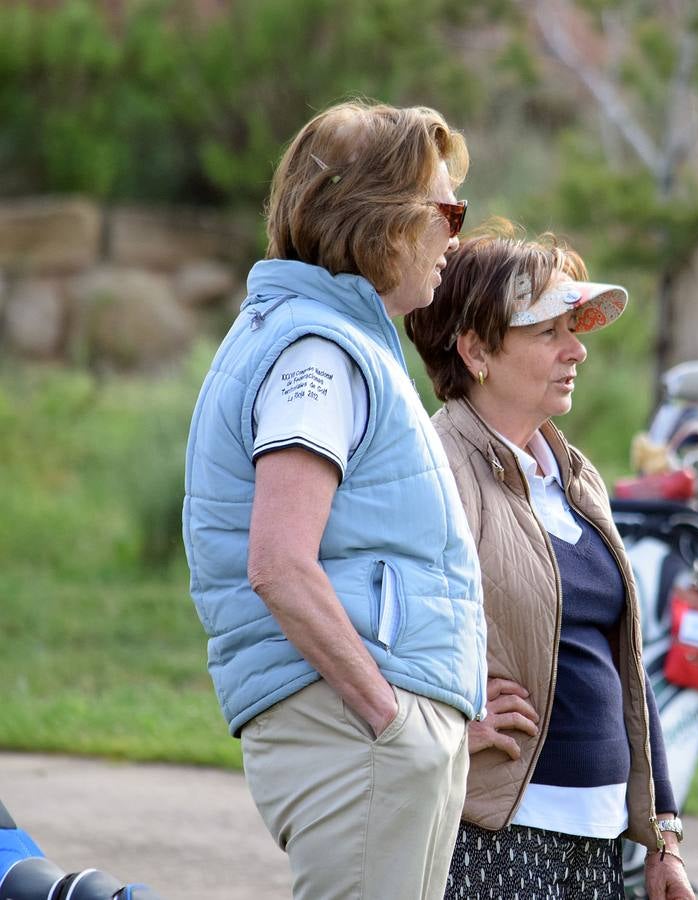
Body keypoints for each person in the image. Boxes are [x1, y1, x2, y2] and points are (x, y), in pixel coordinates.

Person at [182, 99, 486, 900]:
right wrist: (390, 720)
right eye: (445, 210)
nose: (455, 237)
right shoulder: (317, 350)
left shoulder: (334, 339)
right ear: (380, 221)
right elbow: (279, 562)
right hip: (358, 728)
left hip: (369, 728)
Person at [405, 225, 695, 900]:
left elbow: (626, 663)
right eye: (547, 333)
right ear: (475, 349)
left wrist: (662, 838)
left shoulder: (573, 475)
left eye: (575, 328)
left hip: (596, 836)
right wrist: (446, 726)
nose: (577, 350)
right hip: (493, 832)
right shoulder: (431, 467)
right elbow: (362, 622)